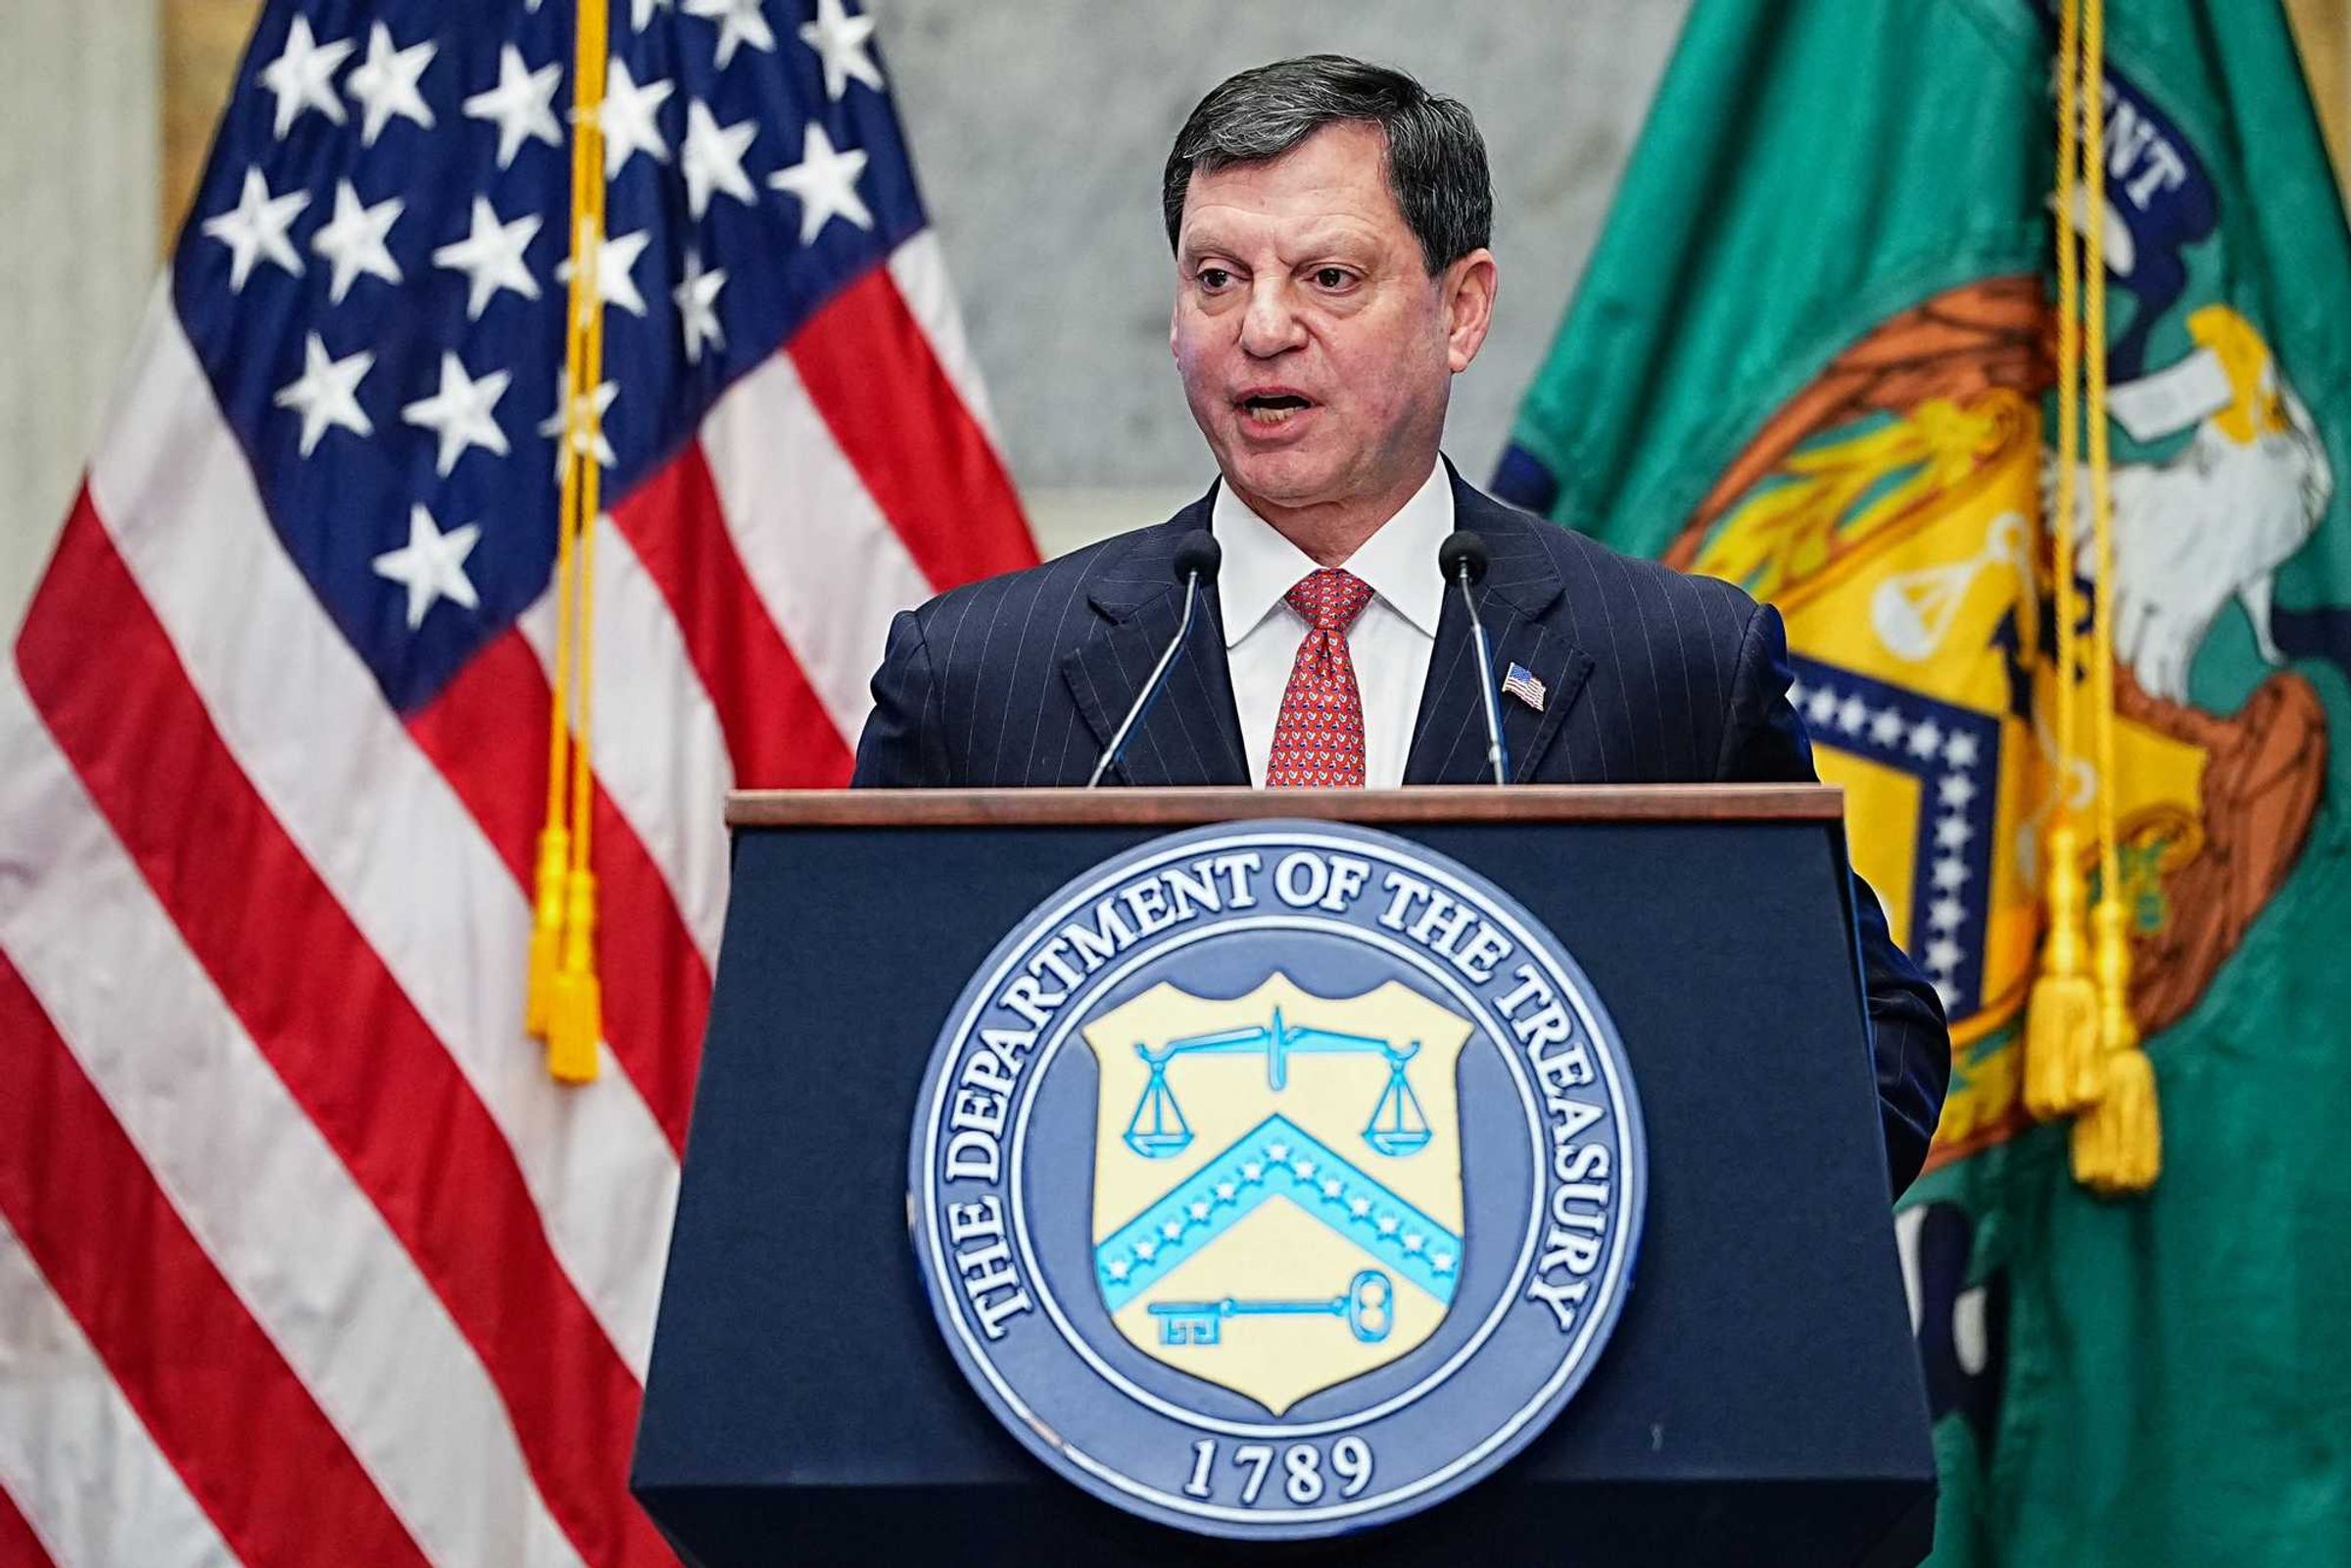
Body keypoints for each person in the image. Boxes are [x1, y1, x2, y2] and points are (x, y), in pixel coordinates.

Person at [850, 55, 1949, 1193]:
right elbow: (844, 1063)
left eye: (1328, 276)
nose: (1261, 327)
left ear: (1460, 309)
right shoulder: (980, 676)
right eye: (1217, 278)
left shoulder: (1672, 664)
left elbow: (1871, 1045)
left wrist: (1635, 1224)